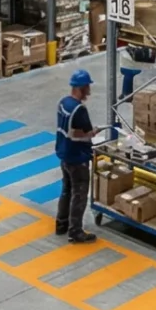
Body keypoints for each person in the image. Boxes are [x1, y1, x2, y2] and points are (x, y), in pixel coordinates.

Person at [53, 70, 97, 243]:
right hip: (78, 158)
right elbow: (83, 132)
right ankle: (75, 231)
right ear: (82, 87)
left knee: (66, 190)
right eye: (88, 87)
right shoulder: (79, 109)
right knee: (79, 194)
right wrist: (93, 133)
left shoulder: (63, 103)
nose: (89, 91)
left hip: (64, 155)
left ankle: (61, 223)